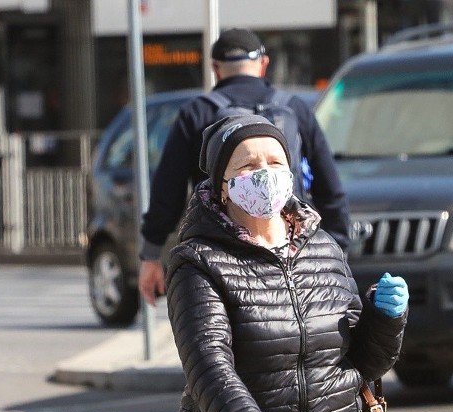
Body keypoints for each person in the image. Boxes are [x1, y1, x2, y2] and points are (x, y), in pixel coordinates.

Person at [165, 114, 408, 412]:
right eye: (247, 166)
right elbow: (208, 364)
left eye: (275, 163)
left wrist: (386, 319)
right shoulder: (197, 262)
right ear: (223, 187)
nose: (264, 174)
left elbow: (362, 363)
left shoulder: (323, 248)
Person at [139, 28, 350, 306]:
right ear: (264, 64)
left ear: (215, 68)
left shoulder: (197, 113)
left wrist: (151, 254)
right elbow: (329, 188)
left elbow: (168, 190)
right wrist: (336, 254)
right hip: (292, 250)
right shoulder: (296, 109)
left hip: (221, 257)